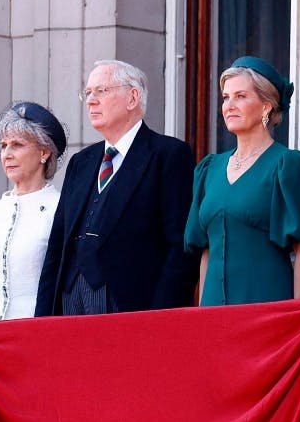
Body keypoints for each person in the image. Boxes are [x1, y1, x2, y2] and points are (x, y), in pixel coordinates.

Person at [36, 60, 197, 316]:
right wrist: (42, 319)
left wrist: (161, 316)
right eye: (88, 93)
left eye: (101, 91)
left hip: (132, 306)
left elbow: (180, 247)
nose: (91, 101)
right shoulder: (81, 163)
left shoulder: (168, 155)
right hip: (69, 302)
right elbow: (57, 246)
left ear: (132, 97)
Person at [185, 57, 300, 305]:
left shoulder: (288, 165)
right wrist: (201, 315)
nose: (229, 105)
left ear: (266, 106)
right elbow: (205, 251)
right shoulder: (209, 169)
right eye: (226, 97)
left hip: (266, 303)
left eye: (240, 96)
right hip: (213, 310)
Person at [0, 103, 66, 322]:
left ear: (44, 152)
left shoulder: (61, 209)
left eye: (17, 145)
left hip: (32, 337)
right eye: (3, 145)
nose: (7, 154)